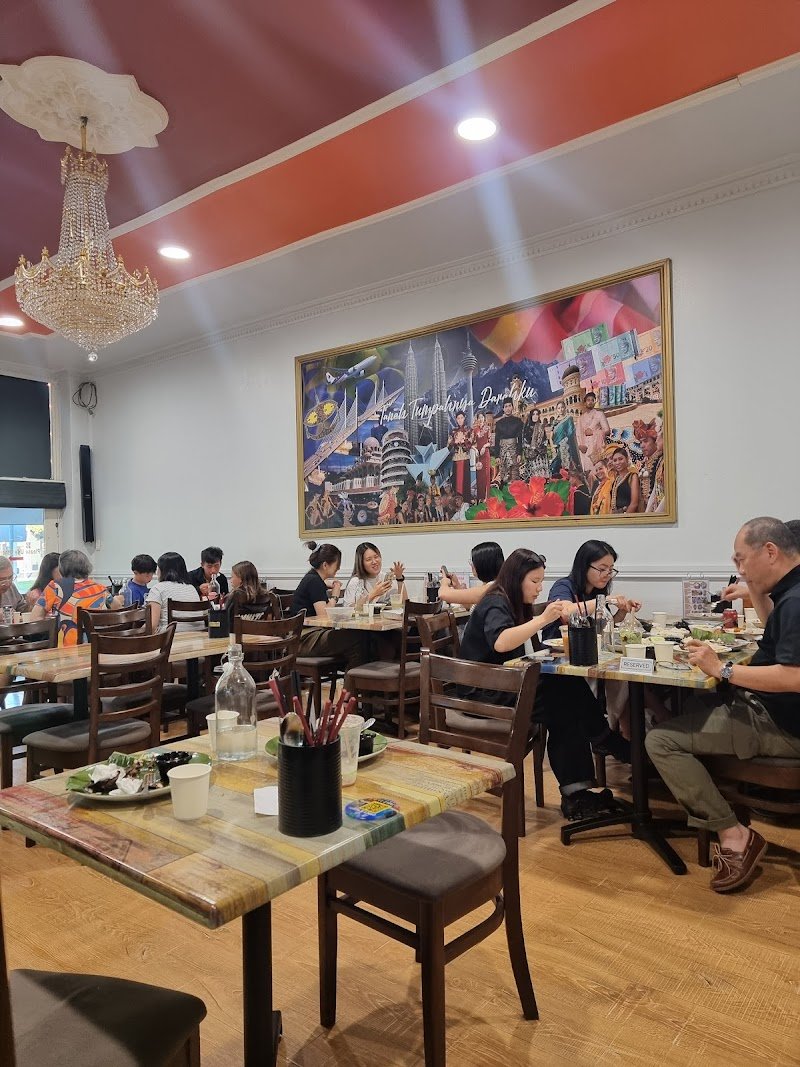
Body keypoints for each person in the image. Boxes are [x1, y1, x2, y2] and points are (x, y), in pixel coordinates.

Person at [646, 517, 800, 893]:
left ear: (770, 551)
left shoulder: (796, 601)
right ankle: (715, 799)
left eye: (740, 559)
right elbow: (778, 637)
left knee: (660, 740)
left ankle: (734, 835)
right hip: (775, 712)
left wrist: (723, 669)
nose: (739, 569)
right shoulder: (790, 593)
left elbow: (795, 676)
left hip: (781, 725)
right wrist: (756, 589)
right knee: (691, 705)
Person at [459, 548, 627, 820]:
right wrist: (542, 619)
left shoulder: (513, 600)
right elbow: (501, 642)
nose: (539, 588)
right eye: (534, 581)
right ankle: (598, 752)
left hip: (506, 681)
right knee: (563, 700)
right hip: (483, 691)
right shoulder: (495, 602)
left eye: (541, 581)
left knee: (565, 693)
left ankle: (580, 788)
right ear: (516, 578)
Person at [292, 542, 368, 669]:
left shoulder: (314, 578)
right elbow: (323, 616)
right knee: (356, 639)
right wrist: (335, 596)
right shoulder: (314, 581)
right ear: (325, 565)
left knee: (358, 637)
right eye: (337, 564)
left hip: (308, 634)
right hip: (304, 639)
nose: (338, 568)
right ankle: (352, 681)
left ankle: (353, 680)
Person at [720, 518, 800, 623]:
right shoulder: (789, 594)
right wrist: (749, 578)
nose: (741, 571)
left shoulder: (794, 602)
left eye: (742, 559)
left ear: (771, 553)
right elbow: (773, 625)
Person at [31, 549, 107, 646]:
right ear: (87, 567)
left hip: (66, 649)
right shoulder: (101, 589)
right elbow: (116, 608)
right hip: (99, 648)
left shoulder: (55, 587)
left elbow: (35, 618)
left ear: (61, 569)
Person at [146, 552, 203, 633]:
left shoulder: (158, 589)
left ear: (162, 570)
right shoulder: (192, 588)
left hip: (171, 637)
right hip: (197, 636)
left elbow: (152, 626)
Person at [438, 541, 504, 608]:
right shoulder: (494, 585)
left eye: (473, 562)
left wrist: (444, 582)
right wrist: (456, 585)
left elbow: (443, 594)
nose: (471, 565)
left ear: (482, 564)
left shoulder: (490, 589)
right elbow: (470, 606)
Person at [342, 543, 407, 610]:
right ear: (361, 563)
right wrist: (373, 594)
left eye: (376, 557)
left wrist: (399, 578)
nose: (374, 562)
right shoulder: (356, 581)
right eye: (368, 559)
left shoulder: (384, 577)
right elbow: (349, 609)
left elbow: (405, 604)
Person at [577, 391, 610, 473]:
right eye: (588, 400)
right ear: (585, 402)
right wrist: (580, 445)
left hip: (597, 447)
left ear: (595, 402)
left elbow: (607, 430)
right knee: (588, 472)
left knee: (599, 470)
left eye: (592, 400)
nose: (590, 402)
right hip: (585, 448)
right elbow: (578, 434)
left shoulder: (599, 414)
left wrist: (593, 433)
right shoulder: (580, 418)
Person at [492, 398, 523, 484]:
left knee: (514, 474)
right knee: (504, 475)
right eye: (506, 406)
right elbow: (497, 440)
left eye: (509, 406)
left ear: (512, 407)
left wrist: (519, 453)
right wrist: (497, 456)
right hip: (503, 452)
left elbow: (520, 439)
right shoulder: (499, 423)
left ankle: (515, 491)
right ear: (503, 409)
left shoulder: (518, 421)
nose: (508, 408)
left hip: (514, 451)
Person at [550, 400, 581, 477]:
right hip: (556, 447)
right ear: (556, 410)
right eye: (558, 408)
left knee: (568, 468)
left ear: (565, 408)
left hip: (567, 447)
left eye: (562, 407)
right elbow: (551, 436)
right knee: (556, 468)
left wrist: (563, 443)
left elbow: (571, 433)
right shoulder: (554, 422)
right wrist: (552, 446)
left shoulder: (569, 419)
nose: (560, 409)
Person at [447, 411, 472, 503]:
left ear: (464, 418)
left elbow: (471, 444)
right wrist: (454, 442)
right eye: (458, 418)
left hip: (465, 458)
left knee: (465, 480)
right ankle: (456, 503)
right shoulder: (453, 431)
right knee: (456, 480)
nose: (460, 420)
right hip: (456, 458)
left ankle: (466, 502)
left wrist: (463, 441)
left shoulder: (468, 430)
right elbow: (448, 447)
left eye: (461, 418)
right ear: (456, 420)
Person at [608, 446, 640, 514]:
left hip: (628, 516)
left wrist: (624, 518)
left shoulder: (633, 476)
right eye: (615, 460)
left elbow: (634, 503)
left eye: (620, 459)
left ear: (627, 459)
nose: (617, 462)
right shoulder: (616, 480)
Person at [520, 405, 549, 480]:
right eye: (534, 414)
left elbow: (545, 440)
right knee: (534, 478)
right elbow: (524, 442)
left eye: (537, 414)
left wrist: (542, 447)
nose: (535, 416)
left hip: (541, 454)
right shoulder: (527, 428)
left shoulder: (541, 427)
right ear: (531, 416)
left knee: (543, 478)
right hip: (531, 454)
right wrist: (532, 448)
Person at [471, 411, 493, 502]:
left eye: (482, 417)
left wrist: (484, 446)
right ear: (477, 419)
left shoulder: (487, 428)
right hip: (478, 456)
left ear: (484, 418)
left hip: (485, 453)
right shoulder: (475, 430)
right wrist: (475, 449)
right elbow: (470, 443)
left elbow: (491, 442)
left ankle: (486, 497)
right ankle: (480, 497)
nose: (480, 419)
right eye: (479, 417)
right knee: (479, 476)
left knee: (486, 475)